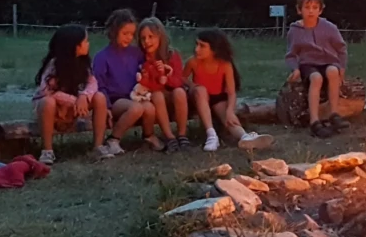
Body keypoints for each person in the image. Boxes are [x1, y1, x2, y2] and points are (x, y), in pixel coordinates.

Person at [32, 25, 116, 160]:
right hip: (54, 111)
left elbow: (92, 83)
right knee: (47, 102)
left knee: (99, 97)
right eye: (85, 41)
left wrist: (84, 96)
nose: (88, 44)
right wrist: (75, 101)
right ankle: (47, 150)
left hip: (73, 109)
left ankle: (98, 146)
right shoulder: (54, 65)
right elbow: (47, 91)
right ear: (75, 46)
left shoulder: (83, 63)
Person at [186, 28, 272, 152]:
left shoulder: (225, 64)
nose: (196, 49)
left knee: (226, 115)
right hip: (198, 96)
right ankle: (211, 135)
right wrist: (192, 85)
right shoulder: (193, 62)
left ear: (214, 49)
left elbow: (231, 92)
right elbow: (182, 78)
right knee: (201, 91)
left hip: (217, 97)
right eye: (197, 44)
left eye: (202, 46)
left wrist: (230, 111)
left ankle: (244, 136)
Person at [286, 0, 349, 139]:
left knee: (332, 72)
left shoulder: (329, 27)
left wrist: (342, 66)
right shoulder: (295, 30)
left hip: (328, 61)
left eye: (315, 8)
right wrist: (295, 69)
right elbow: (291, 54)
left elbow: (341, 48)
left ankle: (334, 114)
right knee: (316, 78)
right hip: (308, 63)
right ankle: (314, 121)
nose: (311, 11)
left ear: (321, 10)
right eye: (307, 7)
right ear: (299, 9)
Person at [94, 9, 152, 153]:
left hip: (134, 95)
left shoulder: (136, 53)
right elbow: (99, 84)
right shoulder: (102, 57)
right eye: (124, 33)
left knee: (150, 108)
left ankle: (149, 137)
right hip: (116, 101)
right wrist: (106, 106)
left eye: (131, 34)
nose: (128, 37)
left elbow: (145, 70)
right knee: (136, 108)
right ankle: (113, 139)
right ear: (114, 32)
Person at [137, 18, 190, 152]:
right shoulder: (141, 58)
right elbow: (146, 84)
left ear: (160, 36)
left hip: (173, 96)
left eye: (151, 37)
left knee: (179, 92)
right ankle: (169, 136)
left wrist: (166, 77)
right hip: (155, 98)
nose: (147, 42)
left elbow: (179, 80)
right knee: (157, 95)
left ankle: (182, 135)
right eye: (143, 38)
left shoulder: (172, 55)